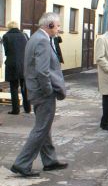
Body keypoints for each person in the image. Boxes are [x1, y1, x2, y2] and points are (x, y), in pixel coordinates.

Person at [10, 12, 67, 177]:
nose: (59, 29)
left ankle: (49, 160)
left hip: (36, 90)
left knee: (44, 126)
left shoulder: (35, 37)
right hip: (43, 92)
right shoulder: (42, 40)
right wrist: (49, 91)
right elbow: (43, 71)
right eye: (57, 26)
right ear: (49, 26)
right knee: (41, 128)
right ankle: (22, 163)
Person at [2, 21, 31, 114]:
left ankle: (16, 109)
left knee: (14, 87)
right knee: (24, 87)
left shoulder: (6, 36)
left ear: (9, 27)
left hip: (12, 64)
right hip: (24, 64)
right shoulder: (24, 35)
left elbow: (6, 51)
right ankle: (27, 108)